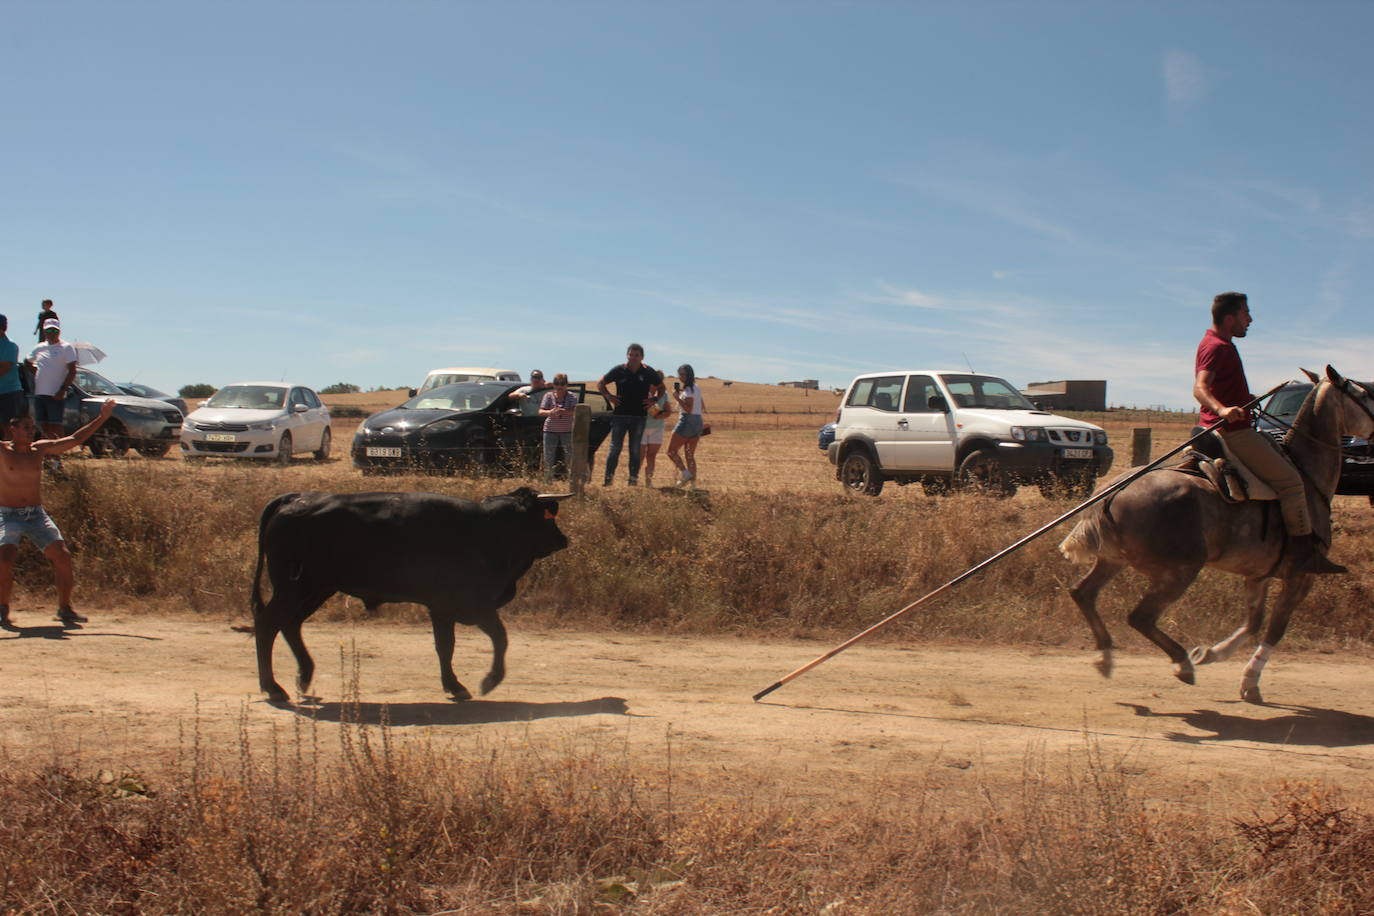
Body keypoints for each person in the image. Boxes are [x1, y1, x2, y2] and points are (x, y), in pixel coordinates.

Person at [1193, 291, 1344, 576]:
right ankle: (1303, 556)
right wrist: (1223, 410)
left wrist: (1241, 396)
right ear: (1230, 317)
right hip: (1233, 432)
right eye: (1245, 313)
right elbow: (1200, 388)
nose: (1250, 319)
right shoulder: (1218, 347)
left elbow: (1216, 384)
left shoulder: (1216, 342)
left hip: (1223, 426)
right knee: (1291, 482)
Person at [0, 399, 116, 630]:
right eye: (26, 427)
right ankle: (2, 609)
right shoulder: (2, 450)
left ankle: (65, 609)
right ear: (12, 430)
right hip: (6, 514)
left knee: (62, 556)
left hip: (36, 514)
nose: (31, 430)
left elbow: (74, 440)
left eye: (32, 426)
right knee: (5, 559)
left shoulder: (39, 449)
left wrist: (102, 417)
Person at [597, 343, 658, 486]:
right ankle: (608, 482)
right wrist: (609, 396)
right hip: (620, 416)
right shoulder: (619, 370)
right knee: (615, 448)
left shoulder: (648, 372)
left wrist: (653, 399)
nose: (634, 358)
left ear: (642, 357)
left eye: (637, 355)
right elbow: (600, 383)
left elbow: (661, 387)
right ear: (627, 355)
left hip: (639, 417)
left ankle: (632, 482)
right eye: (631, 354)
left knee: (635, 450)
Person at [27, 320, 78, 471]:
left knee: (55, 427)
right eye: (49, 331)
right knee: (43, 426)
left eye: (55, 331)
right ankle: (46, 458)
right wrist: (36, 372)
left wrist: (63, 389)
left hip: (56, 394)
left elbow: (72, 370)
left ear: (59, 331)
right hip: (40, 393)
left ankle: (56, 460)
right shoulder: (39, 347)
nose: (52, 333)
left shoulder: (66, 347)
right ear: (44, 331)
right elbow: (27, 361)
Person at [666, 363, 705, 487]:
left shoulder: (688, 390)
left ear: (689, 375)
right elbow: (701, 406)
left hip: (687, 421)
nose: (681, 377)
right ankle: (693, 485)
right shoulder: (696, 388)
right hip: (698, 421)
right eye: (680, 374)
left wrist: (677, 397)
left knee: (671, 451)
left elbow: (688, 409)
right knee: (689, 454)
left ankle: (685, 473)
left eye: (683, 374)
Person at [538, 373, 578, 484]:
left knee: (569, 456)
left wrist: (563, 411)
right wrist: (550, 412)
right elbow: (541, 411)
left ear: (566, 385)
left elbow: (575, 411)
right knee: (548, 456)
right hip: (550, 430)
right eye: (557, 383)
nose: (559, 386)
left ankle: (571, 480)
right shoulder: (548, 396)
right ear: (554, 384)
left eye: (562, 384)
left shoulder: (572, 396)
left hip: (567, 430)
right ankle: (548, 481)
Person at [640, 371, 673, 487]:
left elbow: (669, 412)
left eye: (659, 380)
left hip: (657, 428)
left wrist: (660, 415)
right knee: (639, 456)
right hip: (641, 428)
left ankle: (648, 482)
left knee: (651, 456)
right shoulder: (642, 391)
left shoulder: (664, 395)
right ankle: (633, 480)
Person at [0, 315, 25, 440]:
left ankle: (11, 457)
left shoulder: (10, 346)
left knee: (8, 427)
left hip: (9, 393)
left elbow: (3, 369)